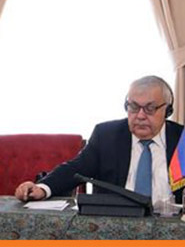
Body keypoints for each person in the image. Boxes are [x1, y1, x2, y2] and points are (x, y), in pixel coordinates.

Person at [15, 76, 184, 204]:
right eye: (133, 107)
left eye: (150, 108)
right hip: (113, 223)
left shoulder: (181, 139)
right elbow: (75, 169)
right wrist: (42, 188)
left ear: (168, 110)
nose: (140, 115)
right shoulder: (107, 136)